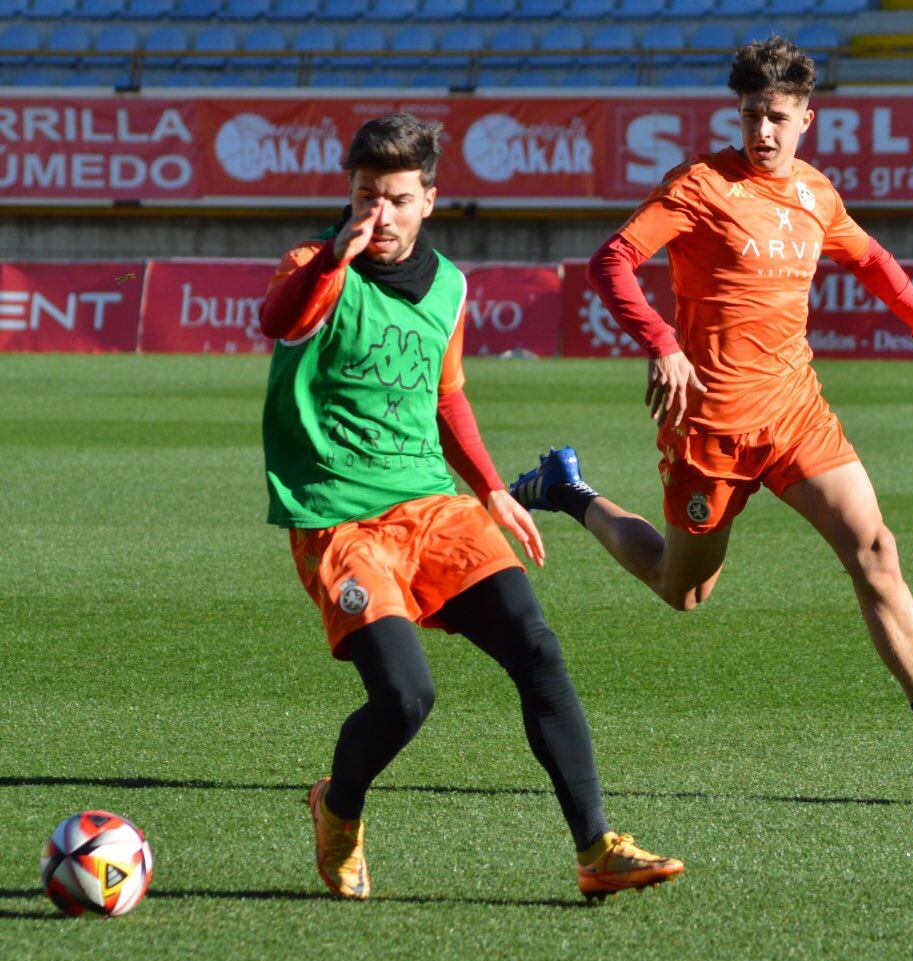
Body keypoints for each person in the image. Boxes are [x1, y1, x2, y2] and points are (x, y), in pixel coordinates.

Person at [511, 39, 913, 796]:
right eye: (752, 114)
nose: (763, 130)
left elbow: (874, 261)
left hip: (796, 414)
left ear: (806, 120)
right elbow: (612, 260)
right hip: (712, 425)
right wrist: (662, 342)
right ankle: (569, 492)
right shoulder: (699, 185)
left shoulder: (816, 194)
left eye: (778, 117)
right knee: (681, 587)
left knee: (876, 550)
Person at [259, 113, 682, 902]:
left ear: (428, 200)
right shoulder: (314, 267)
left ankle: (596, 847)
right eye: (363, 197)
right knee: (405, 698)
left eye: (394, 199)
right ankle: (336, 807)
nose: (376, 215)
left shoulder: (449, 285)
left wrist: (489, 486)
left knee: (536, 646)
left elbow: (446, 393)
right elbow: (279, 321)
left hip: (432, 508)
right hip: (341, 522)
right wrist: (334, 256)